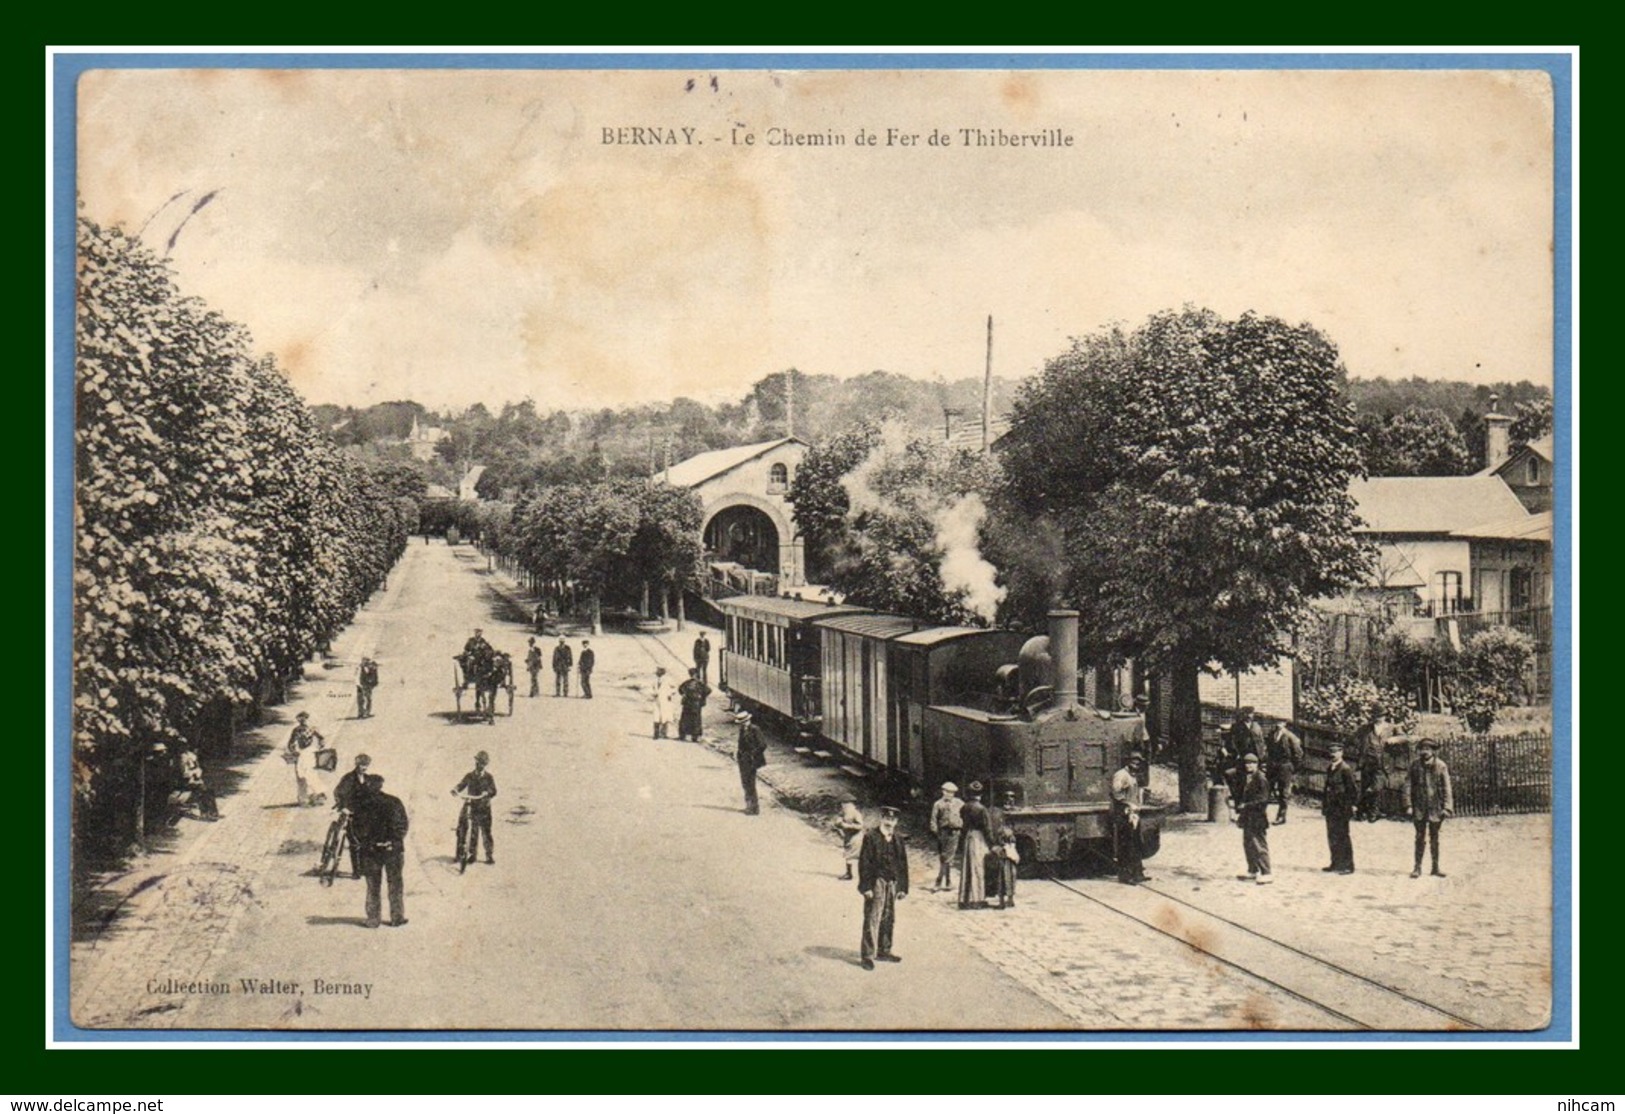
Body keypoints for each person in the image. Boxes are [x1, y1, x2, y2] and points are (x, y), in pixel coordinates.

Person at [351, 773, 410, 928]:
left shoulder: (361, 805)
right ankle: (397, 918)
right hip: (393, 850)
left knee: (373, 886)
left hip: (371, 851)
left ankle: (373, 919)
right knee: (395, 884)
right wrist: (393, 840)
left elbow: (355, 829)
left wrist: (367, 842)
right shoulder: (394, 801)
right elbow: (403, 825)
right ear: (381, 786)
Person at [857, 805, 909, 970]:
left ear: (896, 822)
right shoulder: (871, 837)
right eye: (887, 818)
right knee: (873, 918)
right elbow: (864, 863)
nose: (890, 822)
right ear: (882, 819)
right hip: (876, 882)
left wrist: (902, 887)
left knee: (889, 917)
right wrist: (866, 887)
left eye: (893, 820)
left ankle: (884, 950)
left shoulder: (898, 839)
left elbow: (903, 864)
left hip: (892, 883)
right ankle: (867, 955)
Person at [1404, 738, 1454, 879]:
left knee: (1435, 838)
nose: (1424, 751)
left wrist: (1447, 807)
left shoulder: (1440, 766)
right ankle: (1417, 867)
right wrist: (1408, 805)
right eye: (1422, 749)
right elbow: (1407, 786)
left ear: (1433, 751)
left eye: (1428, 749)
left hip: (1435, 808)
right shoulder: (1414, 765)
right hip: (1419, 807)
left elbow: (1447, 788)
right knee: (1419, 837)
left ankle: (1435, 867)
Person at [451, 750, 498, 866]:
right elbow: (462, 784)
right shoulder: (470, 776)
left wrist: (487, 792)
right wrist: (455, 789)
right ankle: (472, 855)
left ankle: (489, 855)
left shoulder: (489, 777)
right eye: (478, 762)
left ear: (485, 764)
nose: (479, 765)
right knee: (474, 831)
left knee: (486, 832)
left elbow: (494, 790)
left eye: (482, 763)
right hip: (474, 807)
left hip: (485, 808)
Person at [1111, 752, 1151, 885]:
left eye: (1138, 762)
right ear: (1128, 762)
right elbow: (1116, 793)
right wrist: (1128, 803)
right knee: (1126, 845)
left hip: (1134, 813)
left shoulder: (1133, 776)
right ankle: (1125, 875)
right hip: (1124, 813)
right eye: (1134, 761)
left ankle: (1138, 873)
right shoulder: (1121, 775)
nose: (1136, 763)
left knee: (1136, 843)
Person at [1235, 753, 1274, 885]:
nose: (1248, 766)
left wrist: (1246, 805)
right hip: (1248, 817)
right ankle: (1252, 870)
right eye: (1246, 763)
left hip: (1257, 817)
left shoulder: (1261, 779)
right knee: (1248, 844)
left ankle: (1266, 872)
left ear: (1256, 764)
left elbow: (1263, 800)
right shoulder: (1248, 778)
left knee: (1259, 845)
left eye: (1251, 763)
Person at [1322, 740, 1360, 875]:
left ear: (1341, 753)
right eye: (1331, 752)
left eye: (1336, 752)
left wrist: (1352, 806)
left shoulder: (1345, 769)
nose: (1333, 754)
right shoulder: (1330, 768)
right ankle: (1335, 863)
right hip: (1331, 808)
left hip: (1341, 808)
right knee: (1332, 836)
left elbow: (1352, 790)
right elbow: (1327, 788)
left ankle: (1348, 865)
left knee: (1343, 836)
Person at [332, 753, 372, 879]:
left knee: (366, 841)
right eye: (361, 765)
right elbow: (338, 792)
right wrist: (343, 807)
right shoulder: (349, 778)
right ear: (356, 764)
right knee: (354, 843)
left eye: (365, 765)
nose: (363, 768)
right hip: (350, 813)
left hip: (364, 815)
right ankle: (356, 871)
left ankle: (364, 869)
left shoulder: (368, 779)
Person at [957, 783, 992, 908]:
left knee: (967, 867)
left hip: (968, 836)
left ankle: (964, 898)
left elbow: (963, 823)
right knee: (978, 867)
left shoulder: (964, 807)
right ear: (980, 795)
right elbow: (987, 829)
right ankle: (977, 899)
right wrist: (991, 843)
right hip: (978, 837)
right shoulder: (982, 809)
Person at [1264, 719, 1304, 825]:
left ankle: (1281, 817)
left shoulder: (1291, 737)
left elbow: (1298, 754)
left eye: (1280, 722)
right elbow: (1268, 750)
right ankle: (1261, 816)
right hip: (1272, 766)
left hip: (1285, 766)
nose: (1278, 724)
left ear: (1285, 724)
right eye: (1276, 722)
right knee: (1266, 789)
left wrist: (1292, 768)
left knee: (1283, 793)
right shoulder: (1271, 735)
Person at [927, 782, 963, 892]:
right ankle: (948, 881)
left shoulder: (959, 803)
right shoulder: (938, 804)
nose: (950, 795)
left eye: (952, 793)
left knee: (947, 858)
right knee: (944, 858)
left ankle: (938, 882)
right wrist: (935, 832)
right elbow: (933, 820)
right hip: (942, 833)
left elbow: (966, 813)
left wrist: (962, 824)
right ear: (943, 792)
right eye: (948, 792)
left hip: (954, 833)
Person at [285, 712, 327, 807]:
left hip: (310, 753)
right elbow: (290, 743)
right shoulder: (296, 730)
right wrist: (293, 751)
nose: (303, 722)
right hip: (301, 754)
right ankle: (303, 798)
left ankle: (316, 795)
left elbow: (321, 738)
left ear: (307, 719)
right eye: (300, 720)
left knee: (311, 775)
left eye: (304, 719)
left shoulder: (312, 729)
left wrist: (321, 746)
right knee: (301, 775)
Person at [1355, 716, 1392, 822]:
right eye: (1376, 715)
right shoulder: (1366, 728)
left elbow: (1405, 737)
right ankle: (1369, 813)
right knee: (1365, 786)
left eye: (1380, 715)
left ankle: (1362, 807)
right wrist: (1360, 749)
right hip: (1367, 763)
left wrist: (1394, 740)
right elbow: (1354, 737)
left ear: (1385, 716)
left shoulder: (1391, 727)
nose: (1378, 718)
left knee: (1376, 788)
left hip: (1382, 764)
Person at [733, 709, 767, 814]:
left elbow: (763, 745)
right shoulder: (743, 730)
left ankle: (754, 808)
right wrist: (739, 754)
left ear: (748, 721)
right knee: (745, 782)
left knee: (751, 783)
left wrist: (753, 754)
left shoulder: (755, 729)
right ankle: (748, 805)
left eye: (743, 722)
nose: (742, 725)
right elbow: (741, 744)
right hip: (743, 759)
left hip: (752, 760)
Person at [175, 749, 218, 821]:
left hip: (193, 780)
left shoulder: (190, 755)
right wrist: (194, 773)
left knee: (209, 790)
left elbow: (198, 768)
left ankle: (211, 812)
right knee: (203, 790)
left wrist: (197, 772)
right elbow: (184, 774)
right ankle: (207, 812)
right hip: (185, 782)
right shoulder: (180, 758)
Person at [833, 800, 865, 880]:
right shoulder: (843, 813)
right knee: (849, 855)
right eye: (843, 804)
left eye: (845, 804)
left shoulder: (856, 813)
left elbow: (860, 826)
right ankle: (849, 873)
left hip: (856, 837)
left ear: (851, 804)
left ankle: (850, 874)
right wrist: (838, 823)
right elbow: (837, 822)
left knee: (851, 855)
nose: (843, 806)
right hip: (848, 837)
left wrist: (847, 826)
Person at [677, 668, 710, 741]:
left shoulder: (689, 683)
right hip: (694, 704)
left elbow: (680, 690)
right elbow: (708, 690)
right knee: (694, 720)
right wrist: (702, 698)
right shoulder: (698, 683)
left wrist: (685, 695)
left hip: (690, 704)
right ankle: (693, 736)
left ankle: (685, 735)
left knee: (687, 719)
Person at [651, 667, 675, 739]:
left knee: (665, 716)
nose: (656, 672)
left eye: (658, 671)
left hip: (665, 700)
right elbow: (652, 688)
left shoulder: (668, 680)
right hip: (657, 700)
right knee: (656, 716)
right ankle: (656, 733)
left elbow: (674, 688)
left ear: (662, 672)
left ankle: (664, 733)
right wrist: (653, 693)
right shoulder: (655, 680)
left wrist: (669, 694)